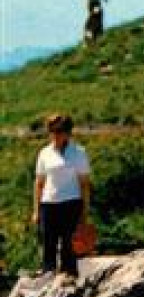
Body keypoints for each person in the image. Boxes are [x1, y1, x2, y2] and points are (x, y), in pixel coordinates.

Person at [34, 114, 91, 279]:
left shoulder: (78, 152)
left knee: (69, 244)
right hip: (49, 203)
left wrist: (84, 211)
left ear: (67, 133)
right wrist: (36, 210)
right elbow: (39, 183)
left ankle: (69, 278)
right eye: (52, 131)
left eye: (59, 131)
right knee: (48, 243)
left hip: (71, 202)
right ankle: (48, 276)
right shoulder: (44, 153)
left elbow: (84, 183)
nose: (55, 135)